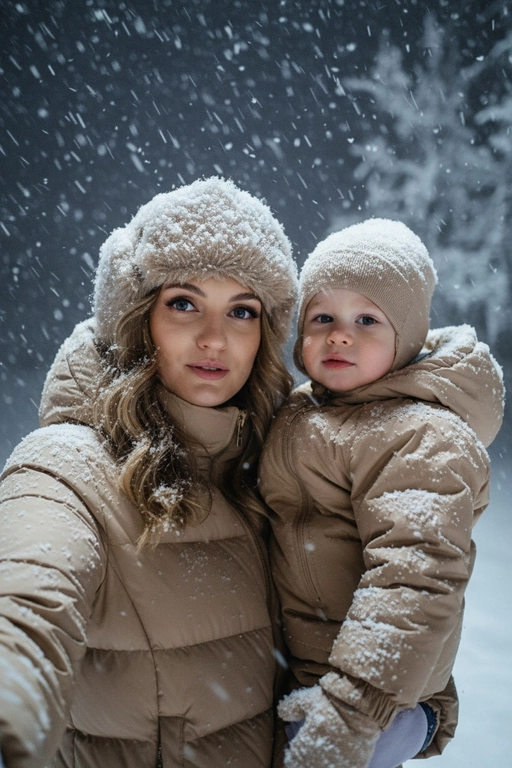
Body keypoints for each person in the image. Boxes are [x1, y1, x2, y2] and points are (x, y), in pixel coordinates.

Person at [0, 177, 298, 768]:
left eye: (242, 310)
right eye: (183, 303)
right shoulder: (68, 465)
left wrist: (417, 715)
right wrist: (13, 696)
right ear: (138, 320)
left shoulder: (283, 467)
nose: (215, 338)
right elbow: (30, 599)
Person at [258, 218, 504, 768]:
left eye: (367, 319)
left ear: (406, 337)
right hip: (305, 674)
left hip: (381, 699)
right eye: (322, 318)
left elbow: (414, 575)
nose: (339, 334)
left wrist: (352, 711)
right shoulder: (300, 411)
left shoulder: (421, 435)